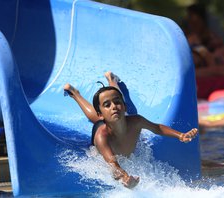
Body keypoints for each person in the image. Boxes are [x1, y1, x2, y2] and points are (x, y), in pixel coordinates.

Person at [64, 71, 198, 188]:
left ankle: (111, 79)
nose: (114, 106)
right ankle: (74, 93)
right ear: (102, 112)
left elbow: (157, 128)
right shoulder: (101, 137)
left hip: (123, 119)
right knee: (96, 119)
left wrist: (180, 135)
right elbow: (112, 163)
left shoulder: (136, 121)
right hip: (103, 127)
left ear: (124, 106)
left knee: (112, 105)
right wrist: (125, 178)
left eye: (117, 102)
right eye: (107, 105)